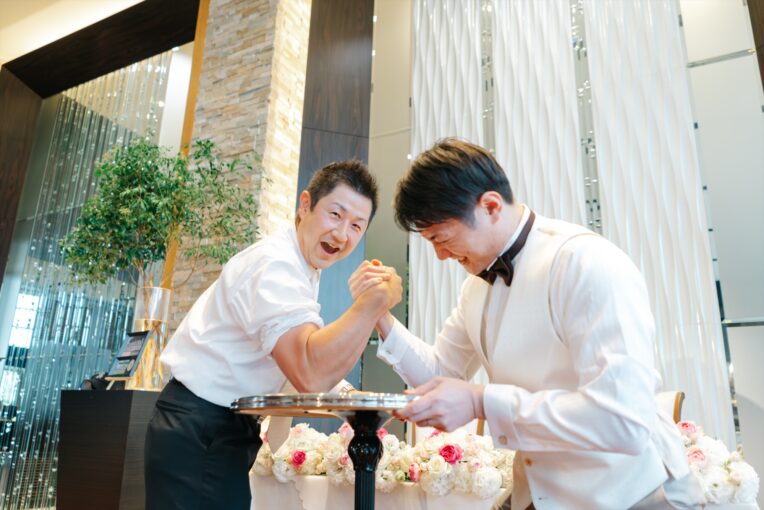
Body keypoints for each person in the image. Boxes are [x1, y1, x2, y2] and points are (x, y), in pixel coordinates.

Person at [350, 139, 704, 509]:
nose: (440, 255)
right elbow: (440, 373)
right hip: (545, 492)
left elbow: (623, 420)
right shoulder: (475, 288)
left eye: (442, 238)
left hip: (635, 493)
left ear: (490, 206)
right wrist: (378, 314)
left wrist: (482, 401)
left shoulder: (585, 262)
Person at [145, 160, 402, 510]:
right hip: (200, 428)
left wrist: (348, 392)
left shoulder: (301, 266)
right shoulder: (276, 265)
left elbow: (299, 358)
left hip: (218, 427)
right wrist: (374, 303)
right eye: (335, 215)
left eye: (356, 225)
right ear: (305, 205)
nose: (342, 235)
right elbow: (309, 371)